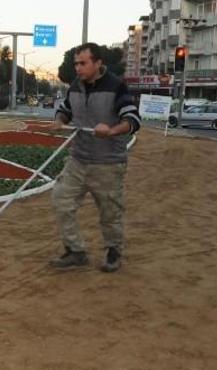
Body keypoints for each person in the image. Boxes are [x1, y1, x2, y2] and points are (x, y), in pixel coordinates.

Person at [48, 42, 142, 273]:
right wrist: (59, 121)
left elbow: (133, 120)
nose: (78, 68)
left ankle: (113, 251)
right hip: (78, 160)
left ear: (98, 63)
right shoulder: (75, 87)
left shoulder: (116, 86)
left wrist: (111, 130)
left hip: (108, 163)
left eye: (83, 63)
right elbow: (66, 110)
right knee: (61, 200)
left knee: (110, 212)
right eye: (76, 64)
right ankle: (76, 251)